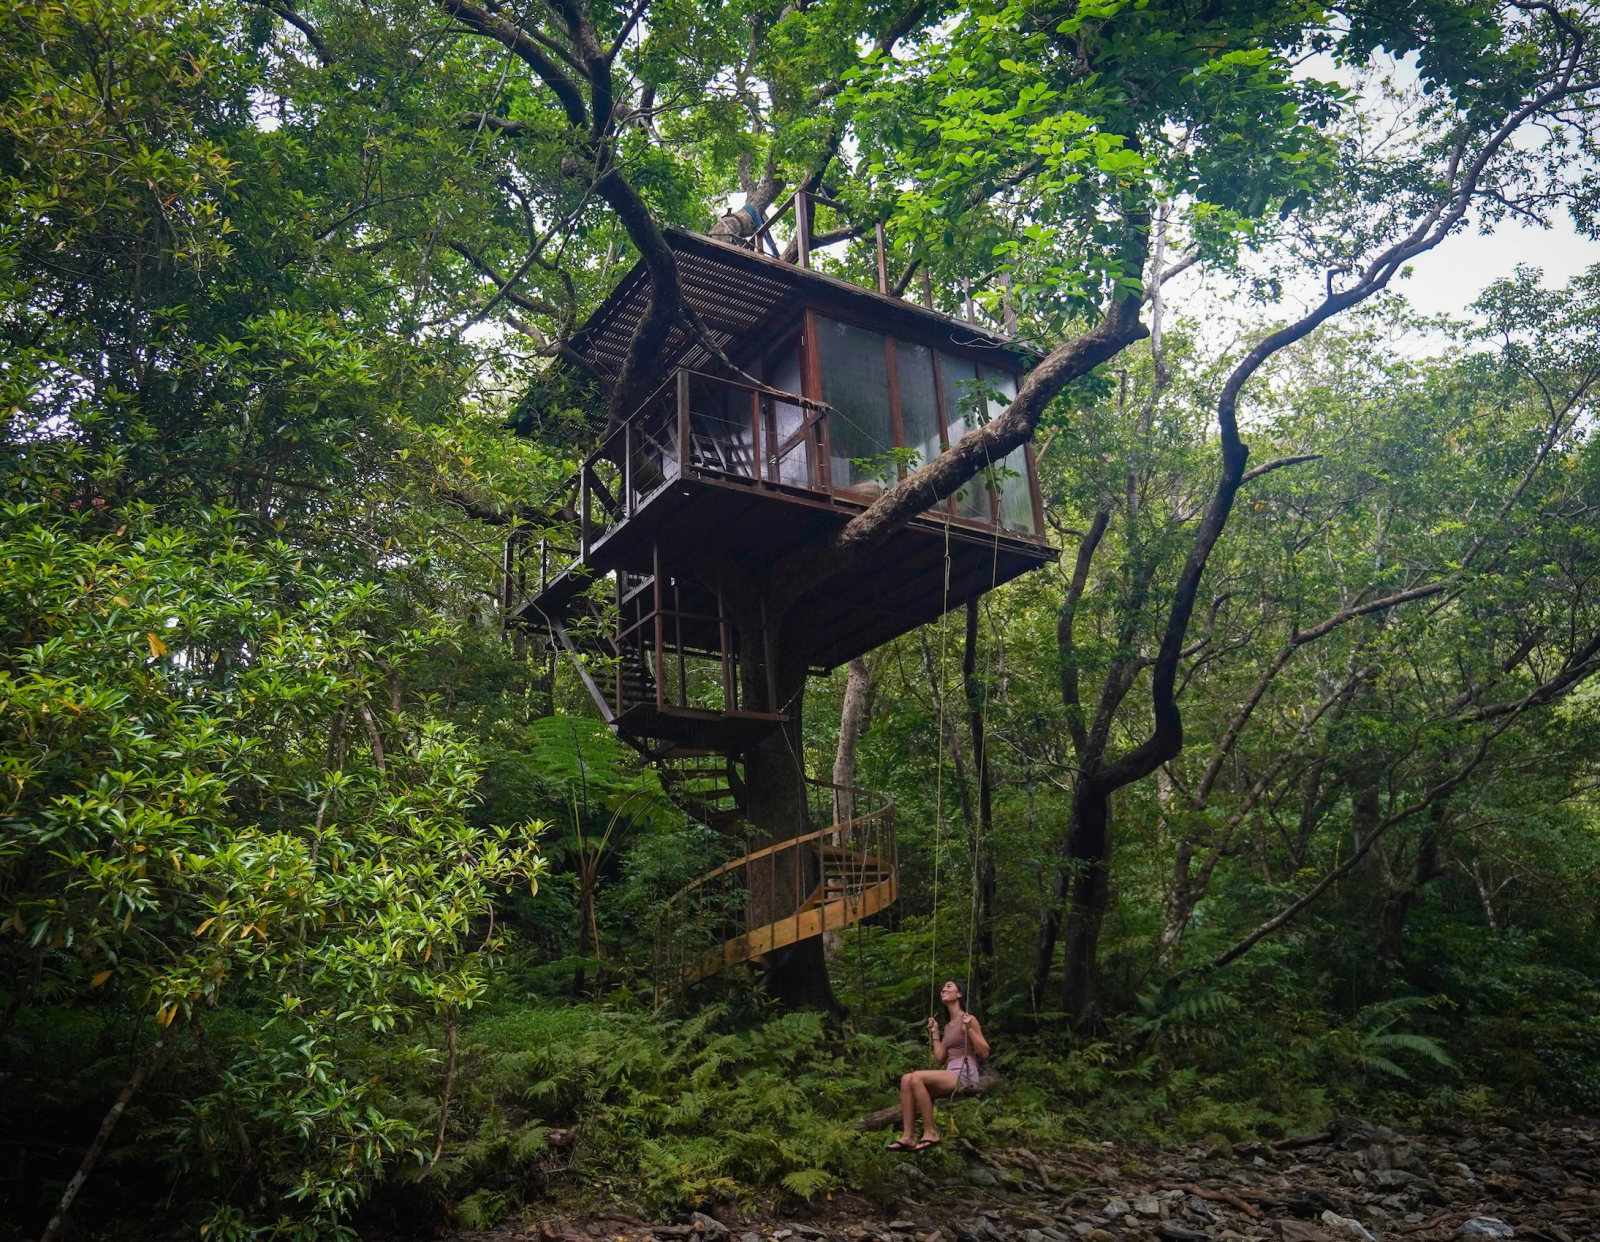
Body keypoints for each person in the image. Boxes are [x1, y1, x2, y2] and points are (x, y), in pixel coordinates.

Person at [887, 979, 989, 1152]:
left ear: (959, 994)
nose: (943, 989)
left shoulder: (969, 1019)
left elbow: (985, 1052)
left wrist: (970, 1030)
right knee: (906, 1080)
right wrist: (934, 1034)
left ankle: (931, 1132)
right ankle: (908, 1136)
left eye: (949, 986)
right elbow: (941, 1058)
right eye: (943, 987)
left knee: (917, 1077)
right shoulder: (948, 1027)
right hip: (950, 1071)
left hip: (965, 1073)